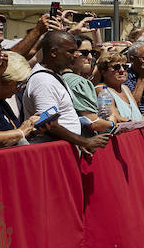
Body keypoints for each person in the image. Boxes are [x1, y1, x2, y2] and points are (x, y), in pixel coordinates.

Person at [18, 31, 109, 159]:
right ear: (54, 52)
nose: (74, 56)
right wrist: (85, 141)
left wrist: (76, 141)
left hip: (62, 152)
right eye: (70, 52)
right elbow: (49, 125)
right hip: (51, 155)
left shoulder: (54, 76)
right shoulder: (43, 81)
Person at [93, 50, 144, 132]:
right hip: (119, 139)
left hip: (135, 136)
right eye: (116, 67)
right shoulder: (102, 90)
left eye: (125, 67)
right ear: (103, 72)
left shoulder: (125, 88)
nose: (122, 70)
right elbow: (116, 119)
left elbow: (137, 116)